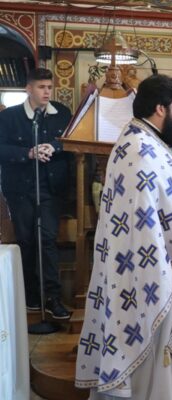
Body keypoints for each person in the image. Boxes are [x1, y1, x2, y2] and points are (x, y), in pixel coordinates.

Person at [75, 74, 172, 400]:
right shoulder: (141, 150)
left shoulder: (143, 141)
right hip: (154, 270)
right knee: (158, 351)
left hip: (167, 261)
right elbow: (145, 220)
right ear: (160, 109)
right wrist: (169, 261)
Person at [0, 67, 72, 319]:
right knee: (26, 240)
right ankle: (30, 294)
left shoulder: (61, 113)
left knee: (47, 239)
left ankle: (52, 297)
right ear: (28, 89)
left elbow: (69, 140)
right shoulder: (9, 117)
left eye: (49, 87)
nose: (47, 92)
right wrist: (28, 153)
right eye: (41, 87)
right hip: (20, 189)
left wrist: (53, 147)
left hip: (51, 187)